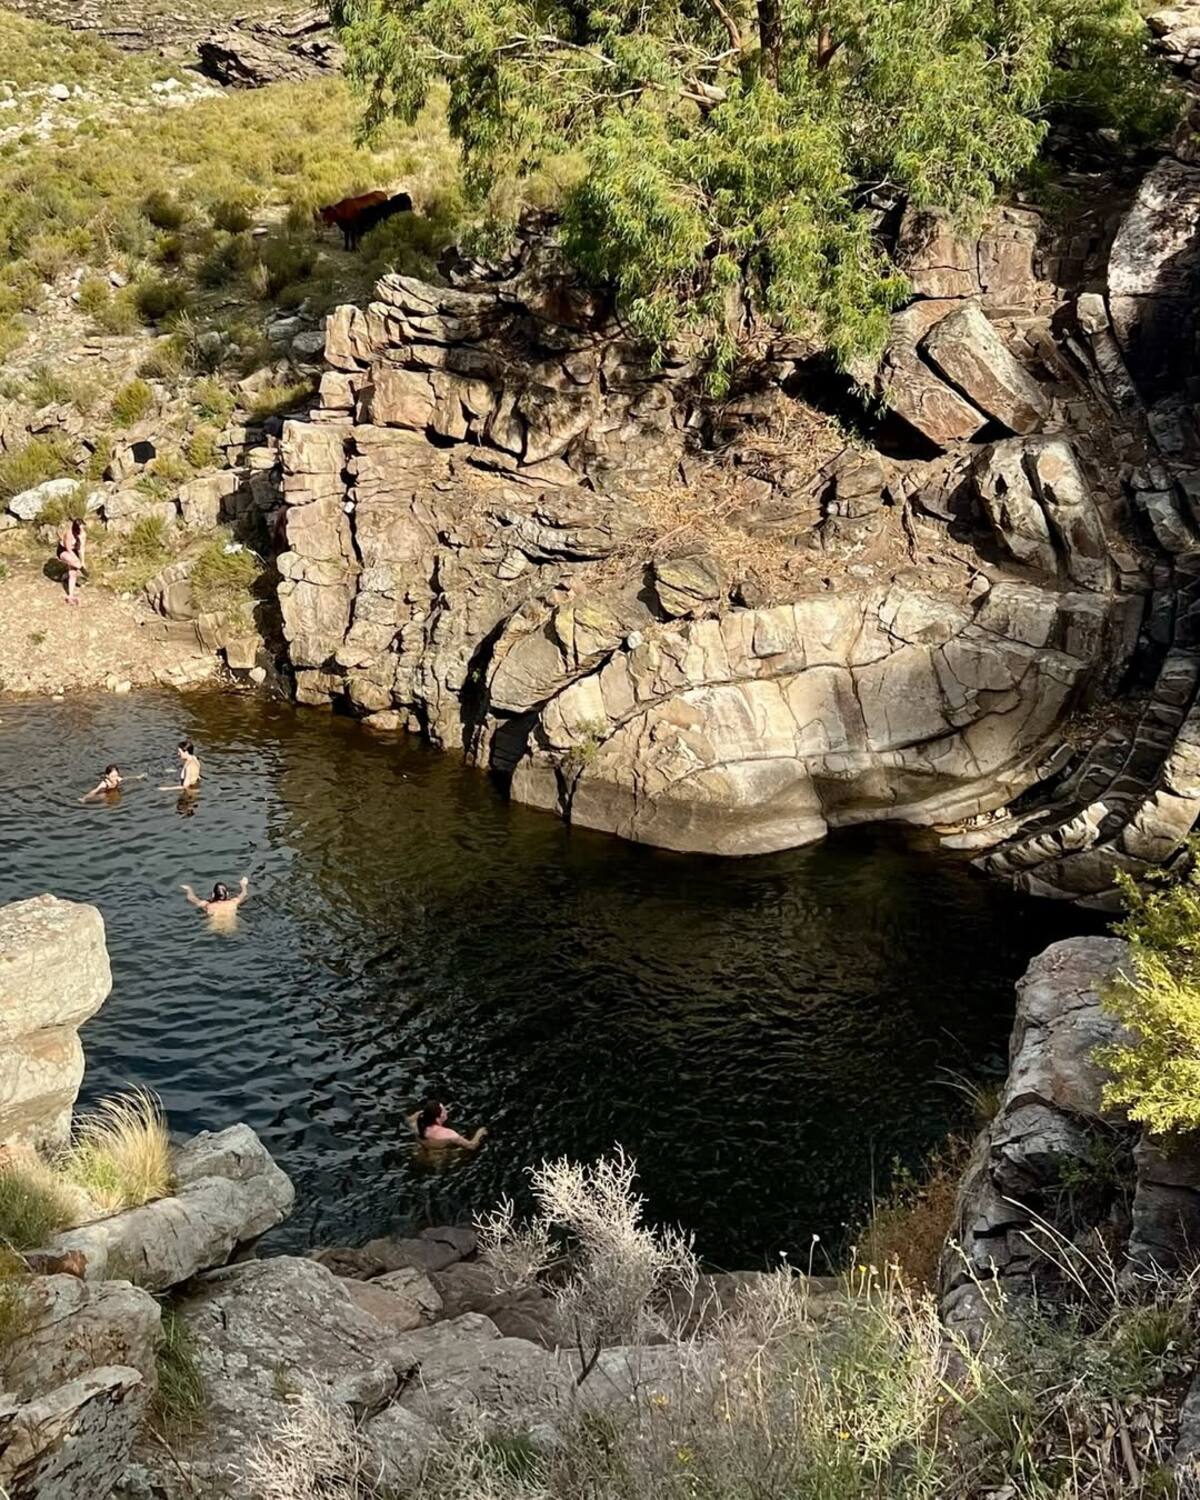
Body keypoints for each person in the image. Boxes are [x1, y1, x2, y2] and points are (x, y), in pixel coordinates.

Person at [410, 1099, 487, 1150]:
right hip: (438, 1158)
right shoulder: (449, 1134)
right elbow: (471, 1146)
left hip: (421, 1152)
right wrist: (480, 1133)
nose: (446, 1112)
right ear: (437, 1119)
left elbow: (411, 1119)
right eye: (443, 1111)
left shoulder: (417, 1122)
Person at [181, 876, 250, 916]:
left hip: (214, 930)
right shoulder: (233, 902)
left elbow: (191, 898)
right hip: (232, 929)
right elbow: (244, 893)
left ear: (213, 894)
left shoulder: (207, 905)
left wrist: (189, 889)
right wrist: (243, 884)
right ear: (227, 894)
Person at [57, 518, 86, 606]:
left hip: (74, 551)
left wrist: (82, 561)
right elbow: (68, 549)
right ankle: (83, 571)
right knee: (76, 563)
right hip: (64, 551)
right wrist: (79, 564)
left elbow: (81, 548)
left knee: (73, 573)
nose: (82, 530)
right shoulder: (69, 534)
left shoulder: (83, 534)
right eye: (80, 528)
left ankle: (70, 595)